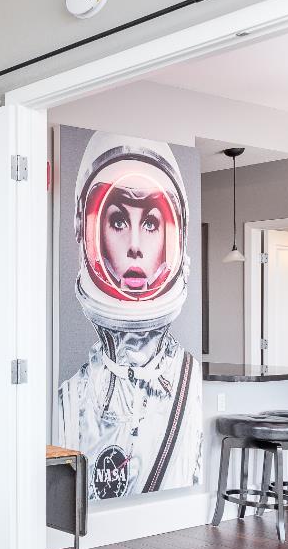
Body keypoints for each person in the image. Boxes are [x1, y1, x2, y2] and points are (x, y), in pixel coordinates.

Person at [57, 130, 202, 499]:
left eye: (151, 223)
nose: (135, 246)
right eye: (118, 221)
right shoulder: (70, 400)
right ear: (87, 231)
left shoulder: (193, 382)